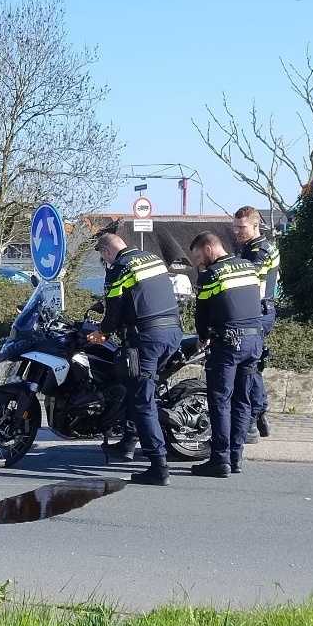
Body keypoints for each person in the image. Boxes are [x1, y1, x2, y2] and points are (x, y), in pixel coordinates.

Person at [86, 233, 184, 486]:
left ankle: (158, 466)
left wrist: (101, 332)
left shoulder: (119, 268)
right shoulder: (152, 259)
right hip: (172, 333)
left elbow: (113, 310)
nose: (104, 262)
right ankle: (128, 442)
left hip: (147, 337)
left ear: (106, 252)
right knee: (136, 387)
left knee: (142, 400)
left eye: (102, 257)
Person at [188, 231, 264, 478]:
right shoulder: (248, 267)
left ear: (209, 249)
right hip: (254, 341)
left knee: (220, 401)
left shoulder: (210, 275)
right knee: (242, 400)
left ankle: (220, 460)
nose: (199, 262)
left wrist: (202, 338)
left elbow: (202, 314)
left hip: (229, 344)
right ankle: (236, 457)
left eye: (199, 256)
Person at [233, 205, 281, 441]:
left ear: (255, 225)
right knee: (251, 366)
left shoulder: (261, 250)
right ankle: (258, 413)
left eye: (242, 227)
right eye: (235, 227)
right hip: (256, 312)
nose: (237, 231)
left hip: (259, 313)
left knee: (248, 366)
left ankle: (252, 418)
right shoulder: (249, 247)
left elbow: (248, 278)